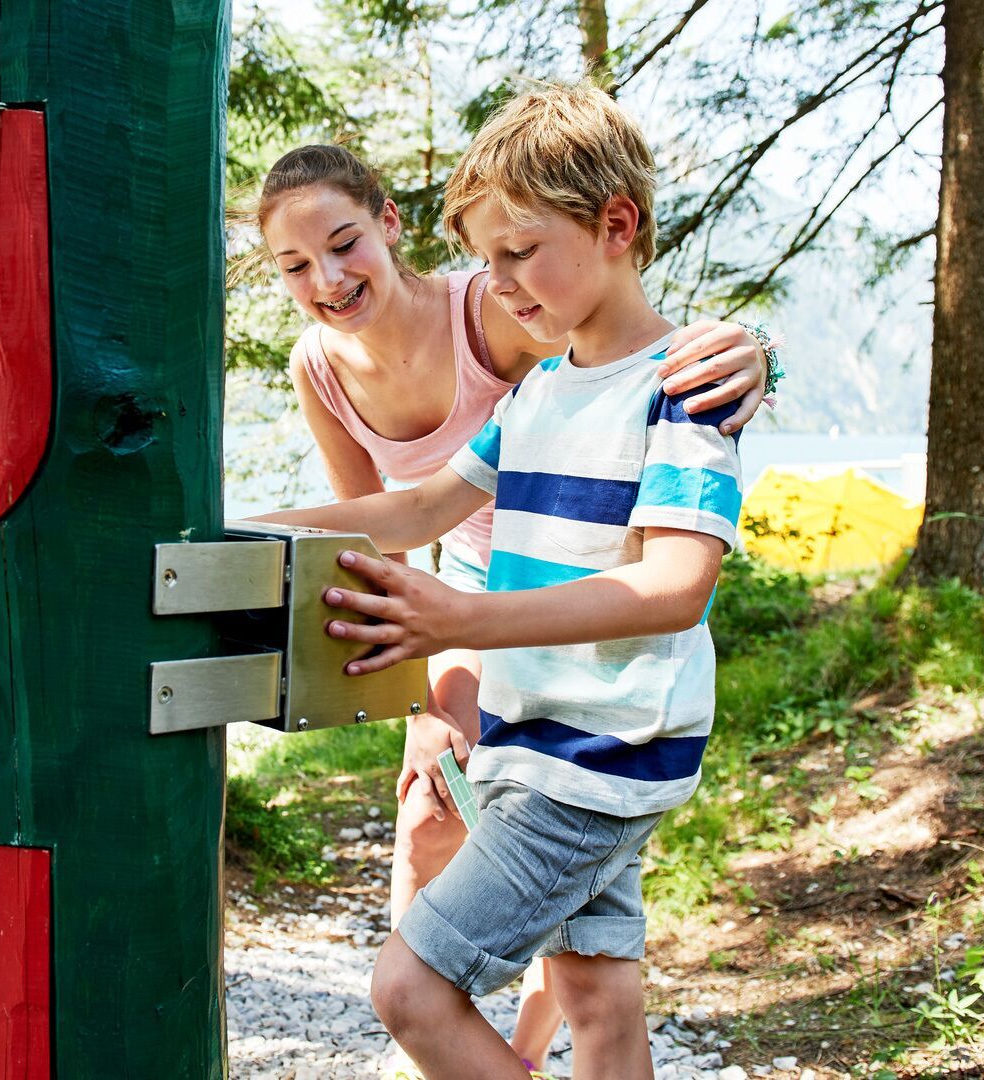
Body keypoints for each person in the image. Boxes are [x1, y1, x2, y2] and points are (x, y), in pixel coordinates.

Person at [257, 82, 746, 1079]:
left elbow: (676, 588)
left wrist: (462, 620)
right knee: (599, 1001)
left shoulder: (679, 393)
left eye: (520, 252)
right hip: (543, 739)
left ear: (617, 226)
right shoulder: (536, 393)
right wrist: (238, 529)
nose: (504, 283)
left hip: (598, 755)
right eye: (489, 260)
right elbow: (415, 511)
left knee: (408, 988)